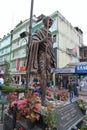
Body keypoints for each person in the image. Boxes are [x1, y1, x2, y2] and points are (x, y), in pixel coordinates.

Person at [27, 16, 56, 105]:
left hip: (49, 56)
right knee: (43, 75)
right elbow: (33, 42)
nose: (50, 23)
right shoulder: (39, 31)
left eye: (52, 22)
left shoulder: (50, 33)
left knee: (47, 76)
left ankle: (44, 96)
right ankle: (43, 100)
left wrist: (52, 43)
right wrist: (42, 41)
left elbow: (50, 46)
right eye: (49, 21)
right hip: (42, 54)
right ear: (44, 22)